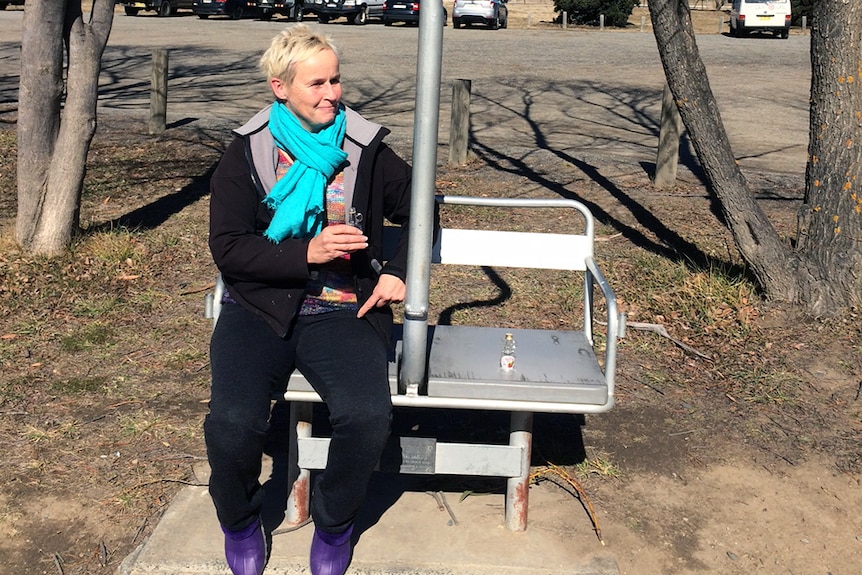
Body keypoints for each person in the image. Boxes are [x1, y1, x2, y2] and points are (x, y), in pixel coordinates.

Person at [205, 24, 420, 575]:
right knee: (233, 425)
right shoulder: (247, 151)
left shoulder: (363, 148)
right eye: (316, 84)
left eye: (336, 80)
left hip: (343, 308)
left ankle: (334, 524)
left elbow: (423, 206)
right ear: (280, 87)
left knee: (368, 415)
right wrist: (307, 253)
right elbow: (229, 249)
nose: (332, 94)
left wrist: (398, 271)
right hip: (259, 308)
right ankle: (239, 521)